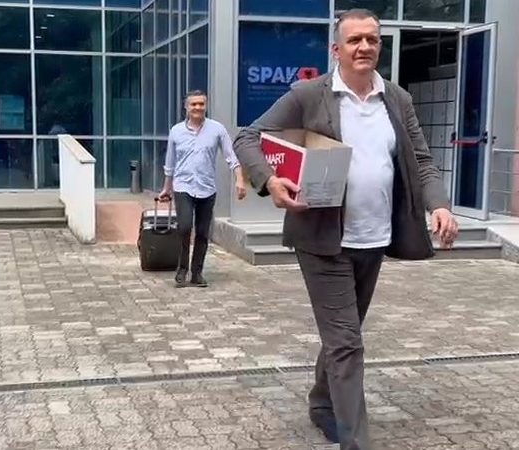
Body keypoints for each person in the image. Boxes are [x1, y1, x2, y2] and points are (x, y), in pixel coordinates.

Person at [233, 8, 458, 450]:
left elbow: (422, 159)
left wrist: (440, 205)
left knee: (343, 335)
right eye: (355, 40)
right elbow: (247, 137)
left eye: (372, 39)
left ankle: (322, 404)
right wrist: (269, 180)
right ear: (336, 49)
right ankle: (356, 441)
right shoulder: (309, 95)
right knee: (348, 343)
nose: (364, 47)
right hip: (322, 240)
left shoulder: (397, 99)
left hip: (374, 238)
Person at [159, 90, 246, 288]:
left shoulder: (217, 129)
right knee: (184, 227)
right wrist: (166, 188)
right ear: (186, 107)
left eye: (201, 104)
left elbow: (231, 157)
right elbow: (170, 163)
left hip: (207, 188)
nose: (197, 107)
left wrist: (239, 180)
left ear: (205, 106)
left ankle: (197, 273)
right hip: (183, 187)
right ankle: (182, 269)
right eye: (193, 104)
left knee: (202, 232)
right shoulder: (176, 131)